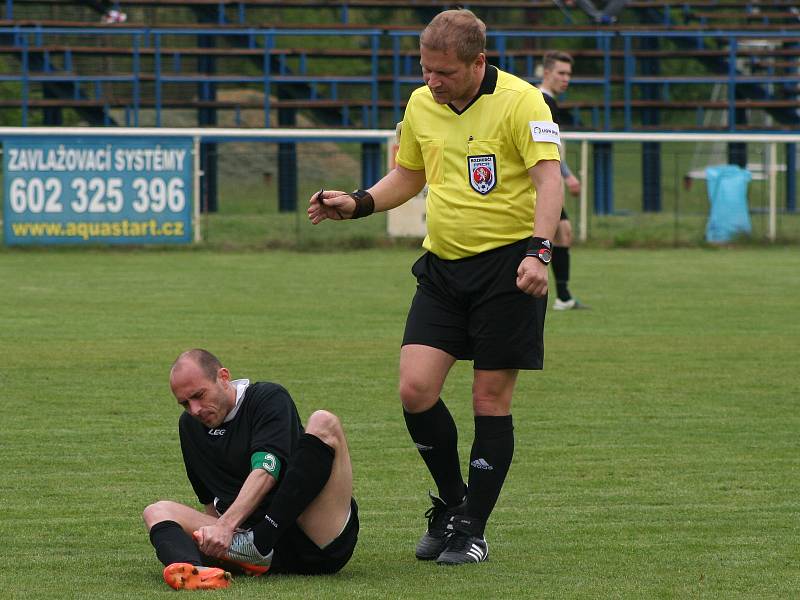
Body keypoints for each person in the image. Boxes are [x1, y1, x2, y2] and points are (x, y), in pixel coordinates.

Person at [308, 9, 562, 565]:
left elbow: (549, 181)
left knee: (488, 400)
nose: (432, 81)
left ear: (478, 62)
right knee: (414, 390)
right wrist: (357, 203)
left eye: (443, 72)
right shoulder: (421, 103)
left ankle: (472, 528)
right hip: (444, 269)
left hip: (507, 269)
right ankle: (451, 503)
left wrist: (540, 253)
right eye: (425, 69)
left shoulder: (524, 102)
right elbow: (410, 174)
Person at [142, 349, 358, 590]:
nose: (195, 410)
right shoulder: (190, 427)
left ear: (223, 377)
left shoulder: (267, 398)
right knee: (156, 511)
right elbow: (209, 502)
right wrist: (215, 542)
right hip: (248, 547)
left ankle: (259, 544)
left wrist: (226, 528)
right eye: (185, 404)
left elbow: (267, 469)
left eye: (199, 396)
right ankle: (197, 573)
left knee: (323, 421)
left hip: (312, 534)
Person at [538, 50, 589, 311]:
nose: (566, 78)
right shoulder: (544, 101)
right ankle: (559, 295)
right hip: (538, 183)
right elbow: (547, 148)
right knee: (556, 232)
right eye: (561, 73)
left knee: (562, 232)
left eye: (569, 74)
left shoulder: (546, 100)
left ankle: (564, 296)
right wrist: (568, 176)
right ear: (547, 73)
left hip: (542, 180)